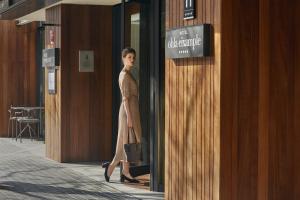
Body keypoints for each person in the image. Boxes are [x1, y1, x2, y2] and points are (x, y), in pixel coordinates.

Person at [103, 47, 142, 183]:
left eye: (133, 57)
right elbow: (125, 98)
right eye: (129, 57)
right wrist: (130, 118)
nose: (132, 60)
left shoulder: (129, 73)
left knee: (128, 141)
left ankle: (125, 171)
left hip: (132, 111)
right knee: (124, 141)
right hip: (127, 112)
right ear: (123, 58)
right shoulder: (124, 75)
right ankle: (111, 166)